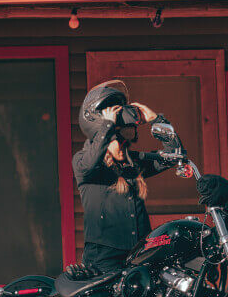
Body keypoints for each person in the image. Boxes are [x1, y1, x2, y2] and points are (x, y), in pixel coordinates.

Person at [73, 80, 172, 273]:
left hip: (139, 252)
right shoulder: (83, 162)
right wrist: (107, 124)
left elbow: (174, 156)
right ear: (103, 140)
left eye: (124, 140)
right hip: (104, 256)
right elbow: (93, 160)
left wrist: (156, 120)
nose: (122, 144)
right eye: (115, 139)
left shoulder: (133, 162)